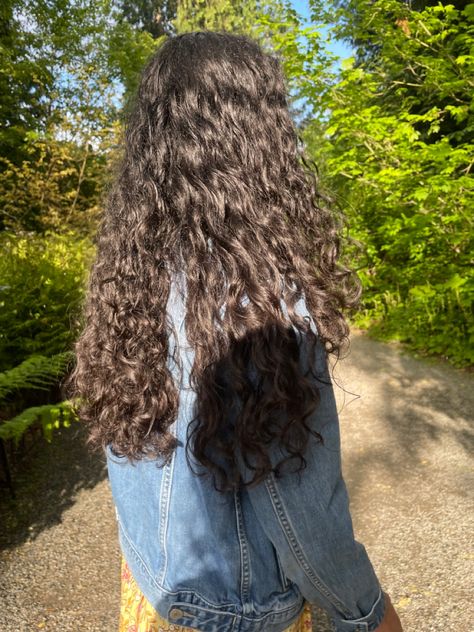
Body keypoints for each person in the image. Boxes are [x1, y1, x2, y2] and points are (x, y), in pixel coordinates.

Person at [66, 30, 404, 632]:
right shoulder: (262, 299)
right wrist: (366, 611)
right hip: (237, 611)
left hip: (150, 586)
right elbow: (300, 511)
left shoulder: (130, 270)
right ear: (259, 135)